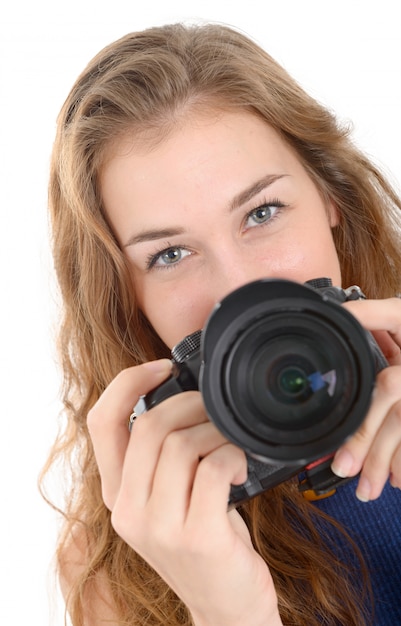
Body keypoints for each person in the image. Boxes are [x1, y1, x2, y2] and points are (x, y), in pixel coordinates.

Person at [42, 22, 401, 626]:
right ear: (127, 298)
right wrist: (226, 614)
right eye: (170, 255)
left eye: (262, 212)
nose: (241, 287)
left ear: (330, 196)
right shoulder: (121, 560)